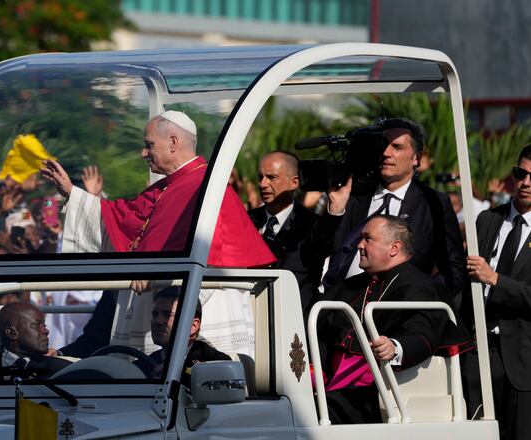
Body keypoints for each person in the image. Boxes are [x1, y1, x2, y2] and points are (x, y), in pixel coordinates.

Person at [42, 110, 275, 354]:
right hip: (159, 300)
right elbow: (122, 218)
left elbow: (211, 248)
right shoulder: (165, 187)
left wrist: (151, 268)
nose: (144, 153)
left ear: (173, 142)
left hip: (202, 304)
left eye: (149, 145)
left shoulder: (207, 184)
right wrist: (72, 193)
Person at [317, 215, 471, 424]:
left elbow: (422, 332)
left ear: (394, 247)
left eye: (367, 239)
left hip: (383, 389)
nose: (359, 245)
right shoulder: (349, 286)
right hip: (331, 381)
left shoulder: (421, 287)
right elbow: (321, 332)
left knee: (315, 410)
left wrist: (395, 347)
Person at [322, 118, 467, 308]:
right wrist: (334, 211)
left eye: (397, 147)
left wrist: (419, 298)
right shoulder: (352, 196)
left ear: (417, 158)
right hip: (339, 307)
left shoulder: (434, 203)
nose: (386, 153)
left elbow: (454, 269)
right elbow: (319, 250)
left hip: (400, 312)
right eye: (382, 145)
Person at [466, 144, 531, 440]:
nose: (526, 182)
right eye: (521, 173)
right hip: (479, 354)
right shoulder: (488, 219)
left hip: (524, 359)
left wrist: (496, 280)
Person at [248, 151, 350, 314]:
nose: (263, 184)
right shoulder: (246, 220)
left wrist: (335, 209)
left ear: (294, 182)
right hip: (249, 312)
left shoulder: (311, 224)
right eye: (260, 177)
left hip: (293, 315)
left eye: (271, 177)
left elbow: (321, 245)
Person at [0, 302, 71, 380]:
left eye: (44, 325)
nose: (46, 331)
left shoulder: (62, 372)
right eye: (37, 326)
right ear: (12, 333)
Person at [145, 287, 230, 386]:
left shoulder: (217, 364)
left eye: (168, 315)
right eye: (155, 315)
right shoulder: (143, 364)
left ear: (193, 326)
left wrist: (177, 378)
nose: (157, 321)